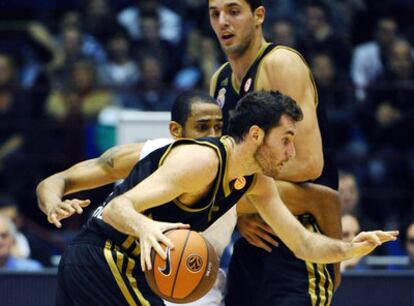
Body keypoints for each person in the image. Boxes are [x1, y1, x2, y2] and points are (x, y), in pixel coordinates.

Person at [37, 90, 397, 306]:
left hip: (103, 265)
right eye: (286, 138)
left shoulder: (254, 181)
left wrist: (348, 249)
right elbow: (118, 208)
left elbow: (302, 242)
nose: (291, 151)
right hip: (105, 257)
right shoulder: (201, 161)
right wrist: (147, 230)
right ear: (256, 134)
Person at [207, 1, 341, 305]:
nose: (223, 21)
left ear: (259, 16)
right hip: (252, 238)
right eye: (215, 14)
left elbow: (308, 163)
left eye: (233, 11)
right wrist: (239, 215)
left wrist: (234, 198)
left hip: (299, 236)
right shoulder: (220, 80)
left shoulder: (280, 63)